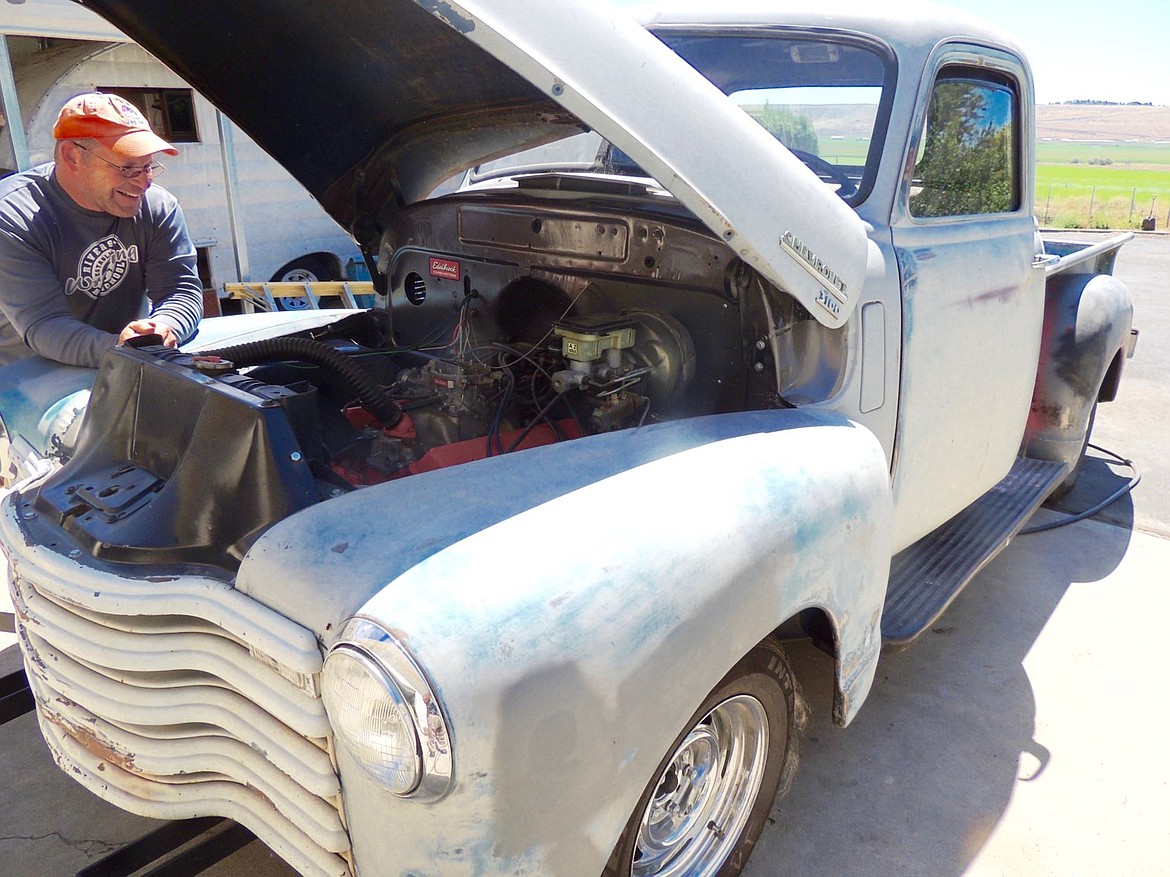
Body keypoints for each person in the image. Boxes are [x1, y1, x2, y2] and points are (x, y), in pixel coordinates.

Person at [0, 92, 203, 368]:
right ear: (72, 156)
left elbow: (179, 289)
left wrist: (165, 327)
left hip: (124, 366)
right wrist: (124, 348)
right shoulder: (12, 217)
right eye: (127, 168)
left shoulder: (158, 207)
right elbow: (45, 323)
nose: (144, 182)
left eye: (148, 166)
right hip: (25, 381)